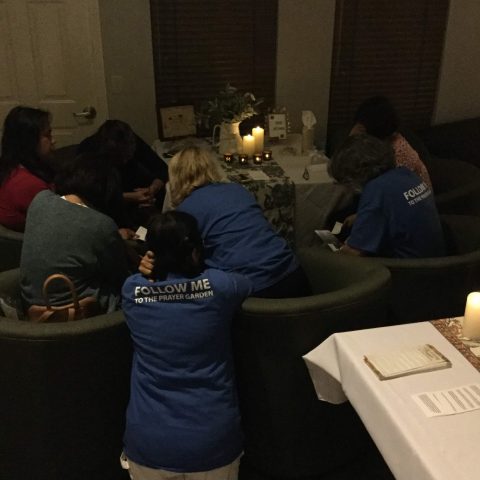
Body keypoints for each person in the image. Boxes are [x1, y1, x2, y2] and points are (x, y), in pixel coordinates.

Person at [121, 211, 252, 479]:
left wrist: (148, 268)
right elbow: (246, 282)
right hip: (212, 442)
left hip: (149, 442)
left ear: (151, 253)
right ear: (195, 250)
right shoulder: (220, 287)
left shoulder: (131, 290)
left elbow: (148, 284)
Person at [142, 146, 310, 298]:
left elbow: (180, 266)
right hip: (293, 274)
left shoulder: (184, 213)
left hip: (253, 292)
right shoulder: (238, 190)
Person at [20, 152, 131, 314]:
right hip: (81, 310)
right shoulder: (101, 224)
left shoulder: (40, 200)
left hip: (31, 305)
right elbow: (119, 275)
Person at [328, 134, 446, 258]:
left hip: (409, 268)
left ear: (354, 173)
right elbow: (395, 210)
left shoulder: (376, 189)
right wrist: (362, 216)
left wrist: (325, 253)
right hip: (433, 258)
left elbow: (353, 254)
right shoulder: (406, 174)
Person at [77, 120, 168, 227]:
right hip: (108, 202)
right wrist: (128, 197)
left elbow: (162, 168)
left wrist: (153, 188)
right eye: (121, 157)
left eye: (128, 155)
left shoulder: (130, 141)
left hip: (134, 191)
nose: (125, 160)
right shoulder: (87, 151)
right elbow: (90, 194)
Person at [350, 96, 432, 188]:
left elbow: (378, 187)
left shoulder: (397, 154)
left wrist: (352, 140)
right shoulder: (382, 142)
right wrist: (351, 140)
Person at [0, 106, 55, 231]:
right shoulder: (27, 184)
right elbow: (59, 221)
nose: (54, 141)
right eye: (48, 135)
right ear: (28, 141)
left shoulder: (10, 167)